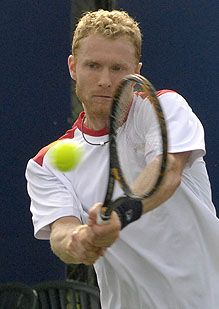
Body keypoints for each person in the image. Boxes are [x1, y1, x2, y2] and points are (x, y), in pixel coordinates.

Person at [26, 9, 219, 308]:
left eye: (118, 68)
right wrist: (79, 241)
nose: (105, 80)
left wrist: (118, 215)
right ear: (73, 67)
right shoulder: (46, 164)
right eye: (93, 66)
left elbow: (166, 171)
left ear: (137, 71)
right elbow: (61, 232)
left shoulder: (163, 107)